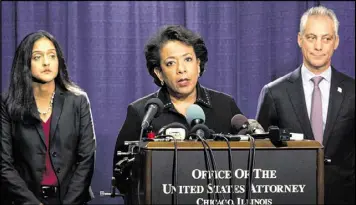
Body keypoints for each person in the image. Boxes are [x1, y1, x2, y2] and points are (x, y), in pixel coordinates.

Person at [113, 25, 243, 198]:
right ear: (159, 73)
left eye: (188, 59)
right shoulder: (142, 113)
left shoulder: (225, 106)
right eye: (170, 63)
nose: (181, 69)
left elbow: (243, 167)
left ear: (198, 64)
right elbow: (122, 177)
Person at [256, 6, 354, 204]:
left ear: (335, 42)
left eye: (326, 39)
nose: (318, 46)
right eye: (311, 37)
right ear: (300, 39)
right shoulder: (274, 93)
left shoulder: (353, 91)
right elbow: (261, 156)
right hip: (291, 196)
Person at [1, 30, 96, 205]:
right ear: (25, 63)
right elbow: (4, 164)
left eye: (52, 55)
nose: (46, 62)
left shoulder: (77, 101)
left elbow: (86, 159)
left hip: (70, 199)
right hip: (24, 200)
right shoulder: (7, 103)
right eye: (37, 57)